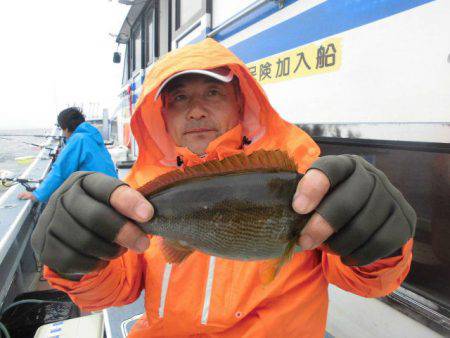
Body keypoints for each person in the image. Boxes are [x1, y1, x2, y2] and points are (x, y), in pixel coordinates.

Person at [31, 39, 416, 337]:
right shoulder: (138, 194)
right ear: (161, 113)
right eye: (180, 97)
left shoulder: (306, 178)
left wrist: (379, 242)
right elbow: (112, 292)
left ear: (239, 100)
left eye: (212, 92)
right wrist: (76, 261)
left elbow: (371, 282)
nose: (196, 109)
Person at [18, 107, 117, 202]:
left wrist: (37, 195)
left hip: (101, 196)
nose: (63, 134)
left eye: (62, 129)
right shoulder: (92, 136)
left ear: (66, 128)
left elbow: (60, 171)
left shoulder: (78, 139)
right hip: (113, 190)